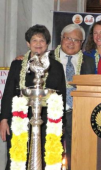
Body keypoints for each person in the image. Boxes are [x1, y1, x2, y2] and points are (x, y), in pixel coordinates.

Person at [0, 24, 66, 169]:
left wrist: (61, 125)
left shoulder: (56, 66)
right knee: (17, 157)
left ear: (47, 44)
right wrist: (4, 119)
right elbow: (8, 93)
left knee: (45, 156)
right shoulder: (18, 65)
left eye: (41, 40)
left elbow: (61, 97)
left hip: (47, 120)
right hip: (18, 118)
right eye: (34, 40)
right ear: (28, 44)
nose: (38, 44)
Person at [51, 24, 95, 170]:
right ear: (61, 39)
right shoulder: (48, 58)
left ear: (81, 43)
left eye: (76, 40)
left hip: (78, 113)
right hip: (52, 112)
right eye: (68, 38)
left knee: (76, 153)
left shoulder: (88, 61)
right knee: (51, 151)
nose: (71, 42)